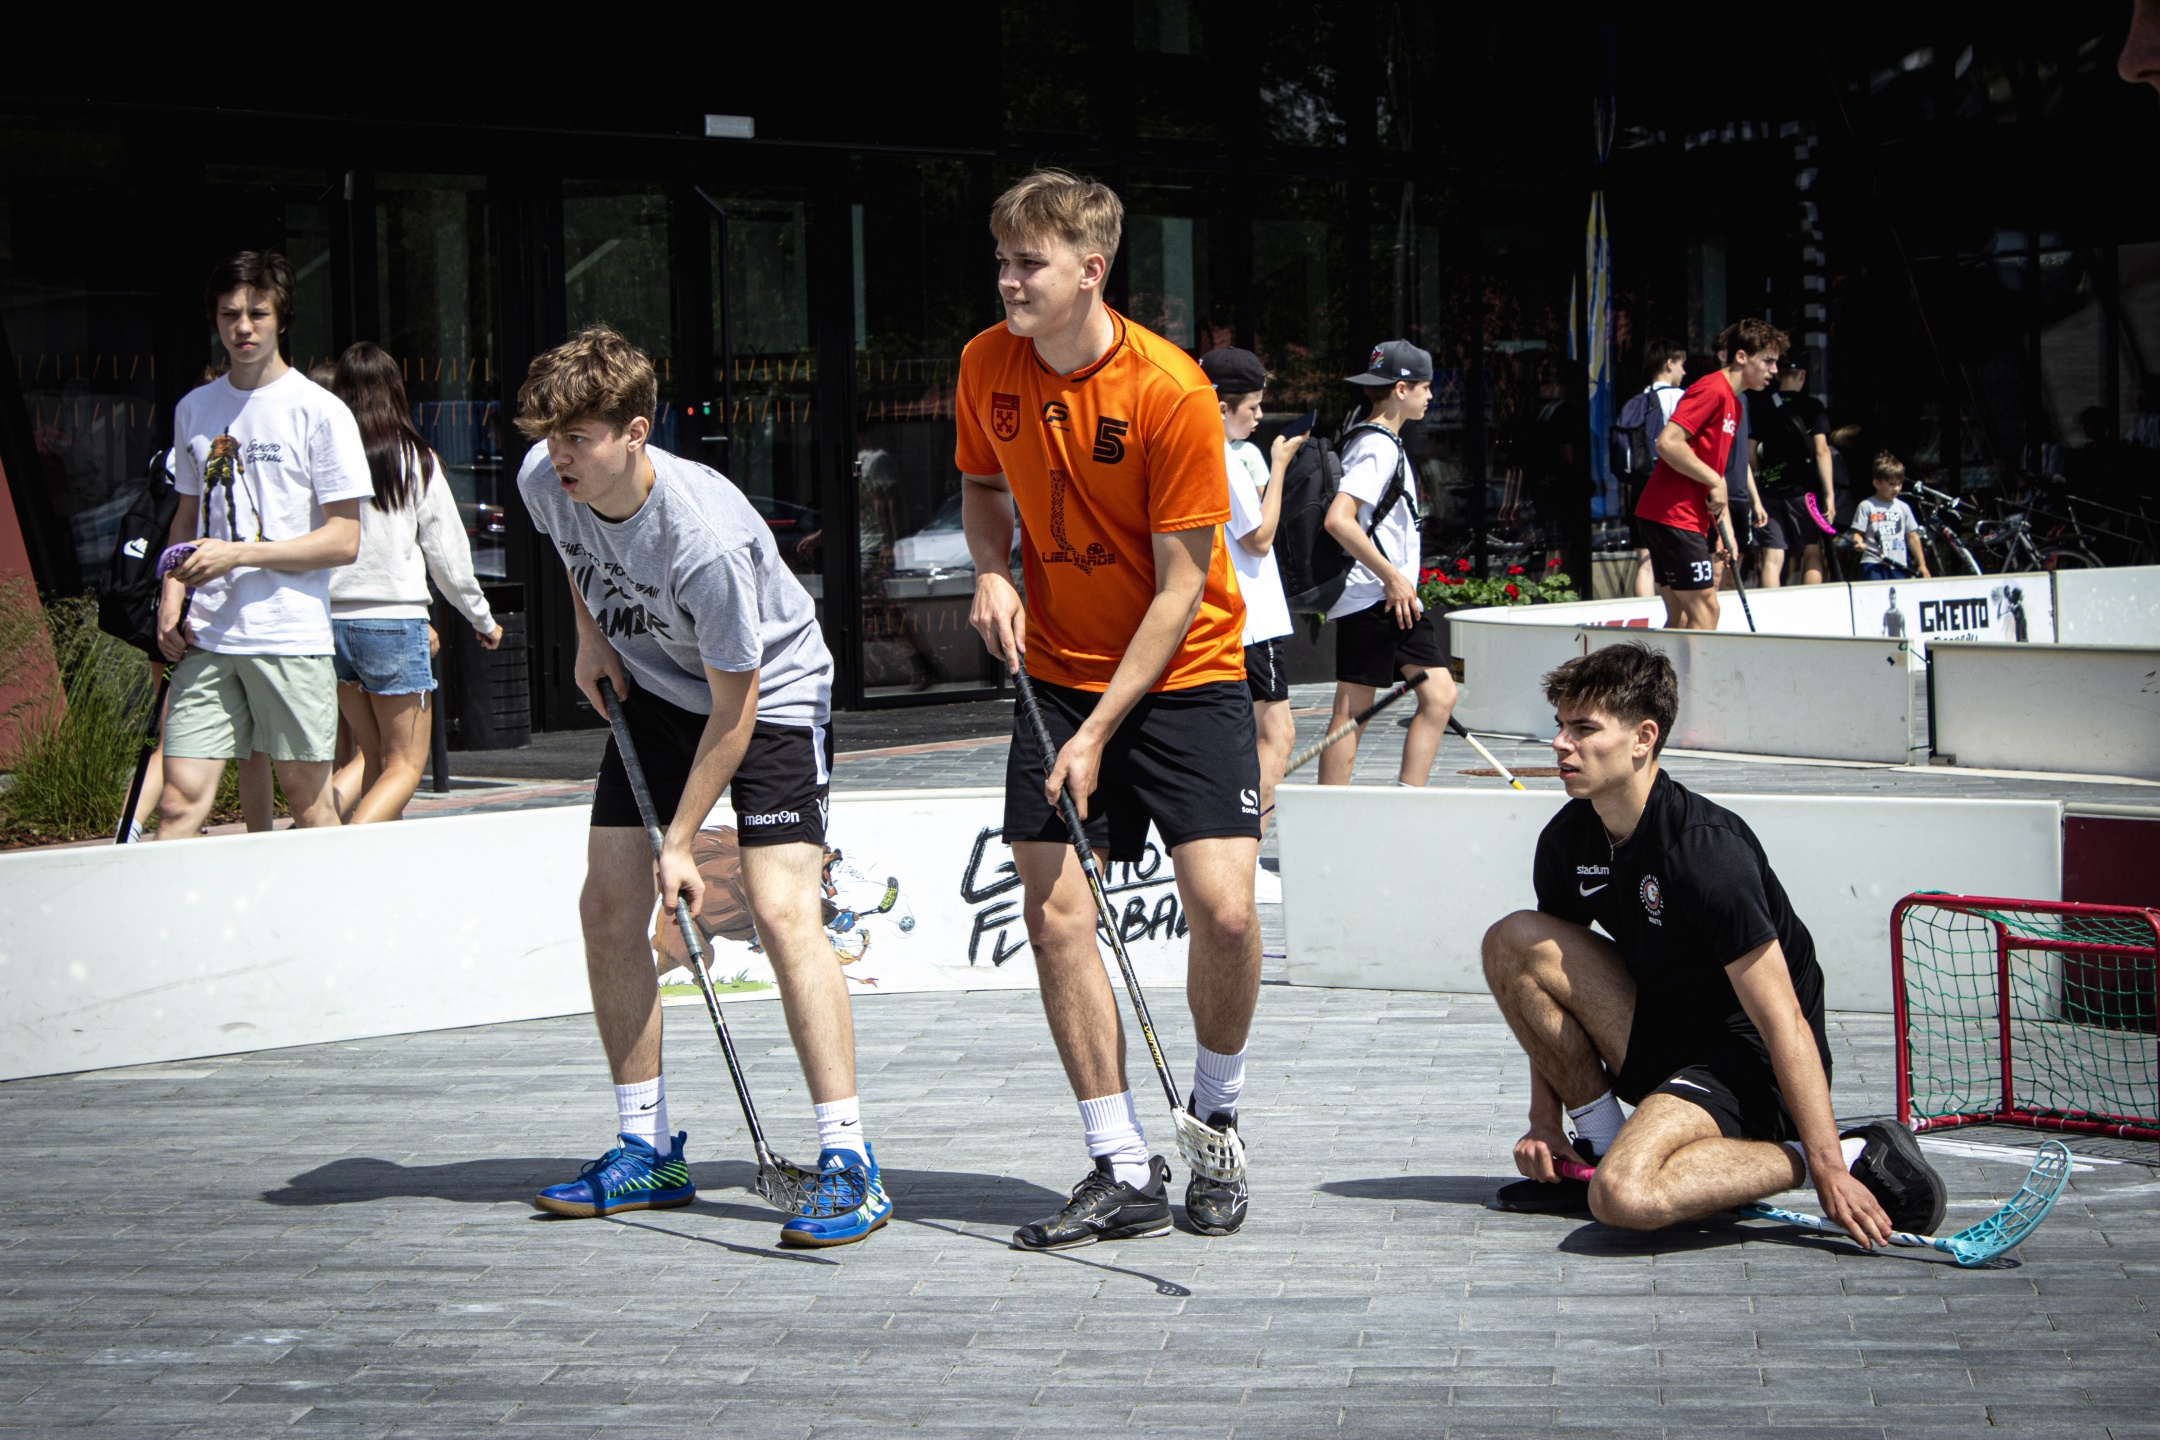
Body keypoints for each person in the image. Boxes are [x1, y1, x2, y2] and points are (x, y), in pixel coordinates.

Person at [516, 326, 888, 1249]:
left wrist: (681, 843)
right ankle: (645, 1148)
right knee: (608, 904)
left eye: (579, 438)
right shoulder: (544, 480)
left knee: (780, 907)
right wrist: (591, 638)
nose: (560, 455)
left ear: (635, 433)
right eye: (552, 435)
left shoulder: (704, 540)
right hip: (653, 686)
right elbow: (574, 553)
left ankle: (849, 1159)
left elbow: (736, 710)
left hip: (768, 697)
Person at [957, 169, 1263, 1245]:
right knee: (1054, 917)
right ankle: (1121, 1164)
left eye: (1029, 263)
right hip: (1055, 669)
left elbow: (1182, 588)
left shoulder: (1169, 390)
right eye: (1002, 260)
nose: (1009, 281)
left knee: (1226, 911)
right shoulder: (984, 363)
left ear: (1092, 270)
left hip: (1187, 672)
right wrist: (990, 571)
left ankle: (1215, 1121)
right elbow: (982, 488)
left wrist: (1096, 733)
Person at [1480, 642, 1948, 1242]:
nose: (1560, 744)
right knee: (1514, 940)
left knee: (1624, 1195)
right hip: (1662, 1034)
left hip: (1746, 1066)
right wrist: (1544, 1122)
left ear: (1643, 738)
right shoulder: (1568, 840)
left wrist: (1827, 1165)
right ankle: (1597, 1145)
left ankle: (1848, 1150)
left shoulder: (1707, 851)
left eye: (1584, 729)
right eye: (1560, 725)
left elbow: (1784, 1021)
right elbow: (1548, 984)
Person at [155, 252, 368, 838]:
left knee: (309, 805)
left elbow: (344, 539)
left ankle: (324, 901)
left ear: (282, 318)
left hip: (289, 635)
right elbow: (187, 516)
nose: (242, 327)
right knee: (177, 803)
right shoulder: (195, 409)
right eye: (229, 314)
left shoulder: (320, 411)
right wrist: (171, 595)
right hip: (209, 635)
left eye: (257, 313)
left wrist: (239, 554)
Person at [326, 342, 502, 823]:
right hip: (392, 623)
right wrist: (481, 619)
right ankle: (340, 847)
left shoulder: (325, 458)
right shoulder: (413, 458)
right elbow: (447, 554)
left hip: (331, 624)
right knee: (404, 766)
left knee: (374, 757)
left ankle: (339, 837)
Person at [1317, 341, 1460, 787]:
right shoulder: (1377, 447)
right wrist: (1393, 577)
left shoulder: (1374, 440)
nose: (1430, 396)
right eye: (1424, 387)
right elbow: (1339, 519)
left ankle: (1405, 801)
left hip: (1391, 598)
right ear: (1401, 389)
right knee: (1351, 711)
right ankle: (1329, 815)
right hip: (1374, 596)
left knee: (1439, 694)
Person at [1199, 345, 1304, 904]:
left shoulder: (1193, 450)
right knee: (1275, 735)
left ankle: (1235, 857)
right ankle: (1248, 858)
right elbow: (1259, 538)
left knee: (1243, 738)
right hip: (1252, 620)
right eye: (1253, 407)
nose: (1260, 417)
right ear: (1222, 407)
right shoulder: (1222, 456)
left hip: (1228, 616)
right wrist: (1280, 465)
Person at [1631, 318, 1786, 630]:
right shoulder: (1712, 389)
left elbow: (1714, 474)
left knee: (1681, 616)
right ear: (1741, 357)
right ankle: (1697, 667)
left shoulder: (1736, 405)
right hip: (1673, 515)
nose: (1775, 370)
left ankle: (1662, 666)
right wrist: (1714, 480)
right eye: (1768, 361)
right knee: (1706, 611)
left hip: (1675, 516)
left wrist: (1725, 532)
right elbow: (1667, 442)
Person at [1749, 347, 1834, 588]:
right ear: (1803, 375)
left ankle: (1772, 608)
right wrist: (1829, 494)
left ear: (1777, 374)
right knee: (1812, 551)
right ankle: (1811, 606)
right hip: (1804, 492)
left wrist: (1762, 474)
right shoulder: (1813, 406)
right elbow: (1822, 451)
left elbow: (1750, 451)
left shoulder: (1762, 405)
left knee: (1772, 556)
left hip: (1770, 491)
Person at [1614, 344, 1687, 598]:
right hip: (1672, 486)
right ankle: (1678, 614)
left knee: (1645, 563)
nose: (1684, 372)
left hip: (1642, 487)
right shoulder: (1681, 398)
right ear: (1669, 364)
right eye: (1681, 365)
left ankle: (1644, 614)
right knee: (1678, 558)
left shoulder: (1638, 401)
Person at [1851, 452, 1930, 581]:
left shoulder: (1903, 507)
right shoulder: (1866, 506)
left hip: (1898, 565)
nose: (1896, 488)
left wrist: (1922, 564)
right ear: (1877, 483)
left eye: (1899, 484)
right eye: (1891, 484)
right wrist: (1858, 543)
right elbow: (1857, 533)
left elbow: (1912, 536)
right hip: (1873, 564)